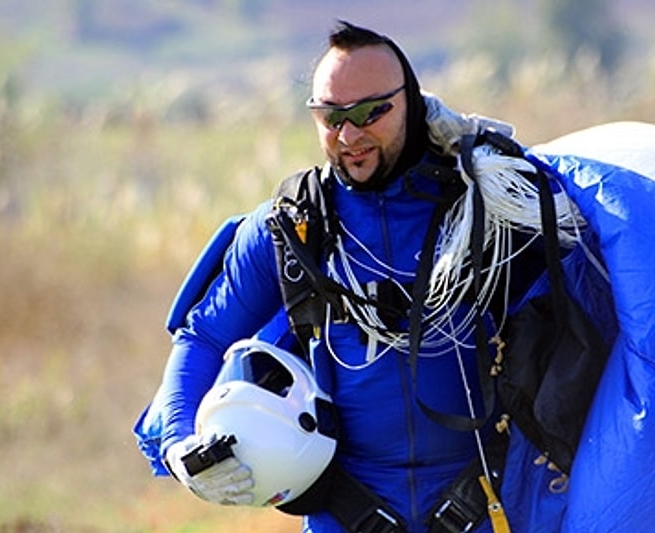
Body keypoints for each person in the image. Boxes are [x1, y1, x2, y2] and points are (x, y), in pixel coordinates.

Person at [136, 20, 613, 533]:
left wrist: (499, 162)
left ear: (412, 101)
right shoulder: (293, 228)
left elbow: (594, 274)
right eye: (331, 116)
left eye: (371, 112)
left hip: (490, 505)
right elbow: (204, 334)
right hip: (349, 512)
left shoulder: (485, 206)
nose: (350, 134)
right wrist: (180, 441)